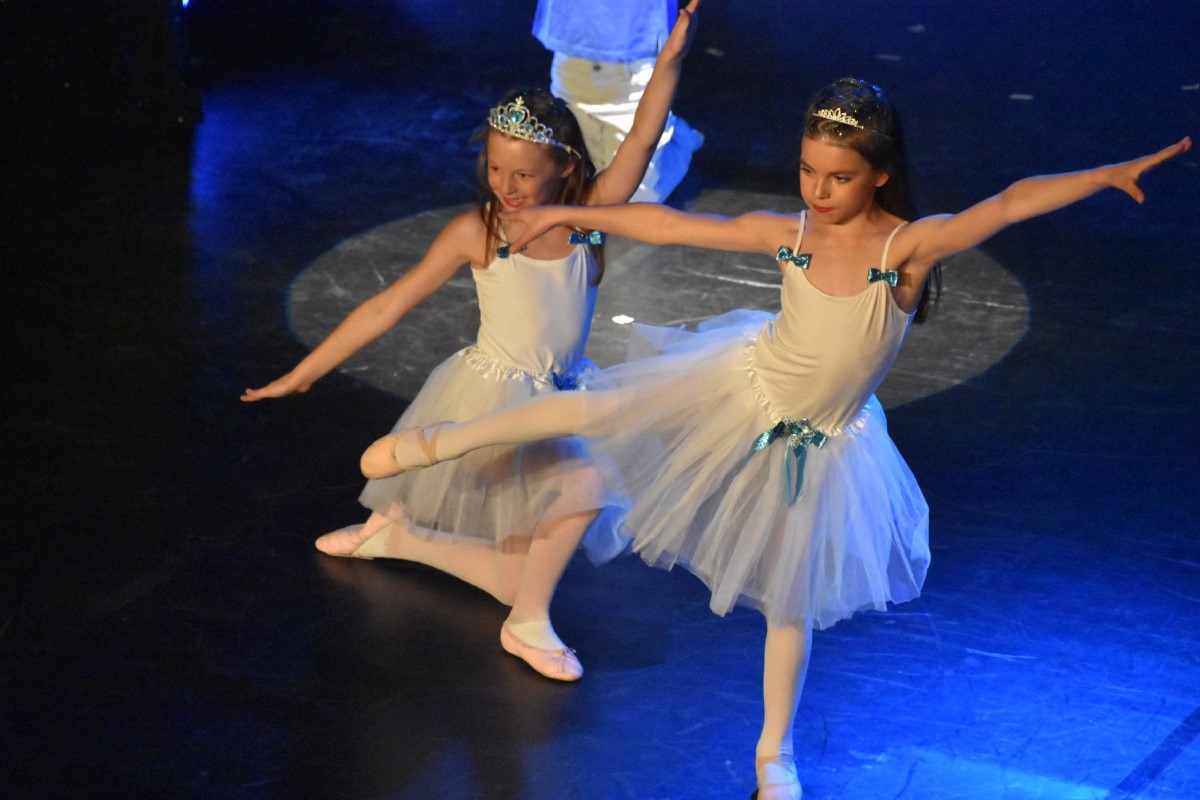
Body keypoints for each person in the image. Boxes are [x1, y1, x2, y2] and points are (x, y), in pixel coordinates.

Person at [359, 77, 1190, 799]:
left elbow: (1004, 205)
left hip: (822, 445)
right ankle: (439, 442)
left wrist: (1103, 175)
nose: (818, 191)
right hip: (743, 385)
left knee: (791, 604)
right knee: (604, 409)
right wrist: (572, 209)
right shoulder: (790, 234)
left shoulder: (906, 250)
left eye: (839, 177)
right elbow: (672, 229)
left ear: (881, 174)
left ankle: (774, 756)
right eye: (807, 172)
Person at [242, 2, 702, 682]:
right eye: (495, 170)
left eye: (523, 175)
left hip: (560, 397)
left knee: (519, 571)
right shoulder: (478, 232)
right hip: (492, 403)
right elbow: (386, 305)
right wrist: (303, 373)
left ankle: (400, 537)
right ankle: (526, 625)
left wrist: (671, 56)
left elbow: (640, 138)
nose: (505, 187)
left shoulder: (586, 220)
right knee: (590, 480)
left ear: (564, 168)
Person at [532, 0, 704, 201]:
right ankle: (672, 134)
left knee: (634, 202)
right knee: (572, 186)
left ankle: (679, 141)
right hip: (572, 49)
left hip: (636, 53)